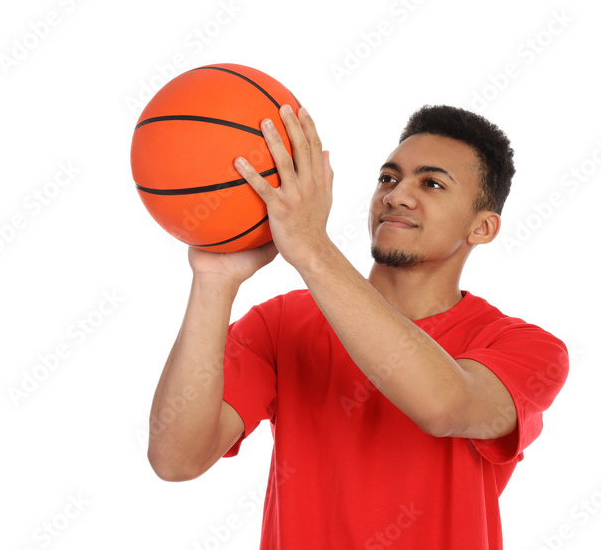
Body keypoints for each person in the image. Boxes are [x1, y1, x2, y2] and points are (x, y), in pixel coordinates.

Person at [147, 104, 568, 549]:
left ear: (482, 227)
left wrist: (311, 248)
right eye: (389, 178)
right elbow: (175, 459)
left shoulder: (527, 348)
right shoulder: (282, 323)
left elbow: (445, 406)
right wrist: (215, 280)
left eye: (432, 183)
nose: (397, 195)